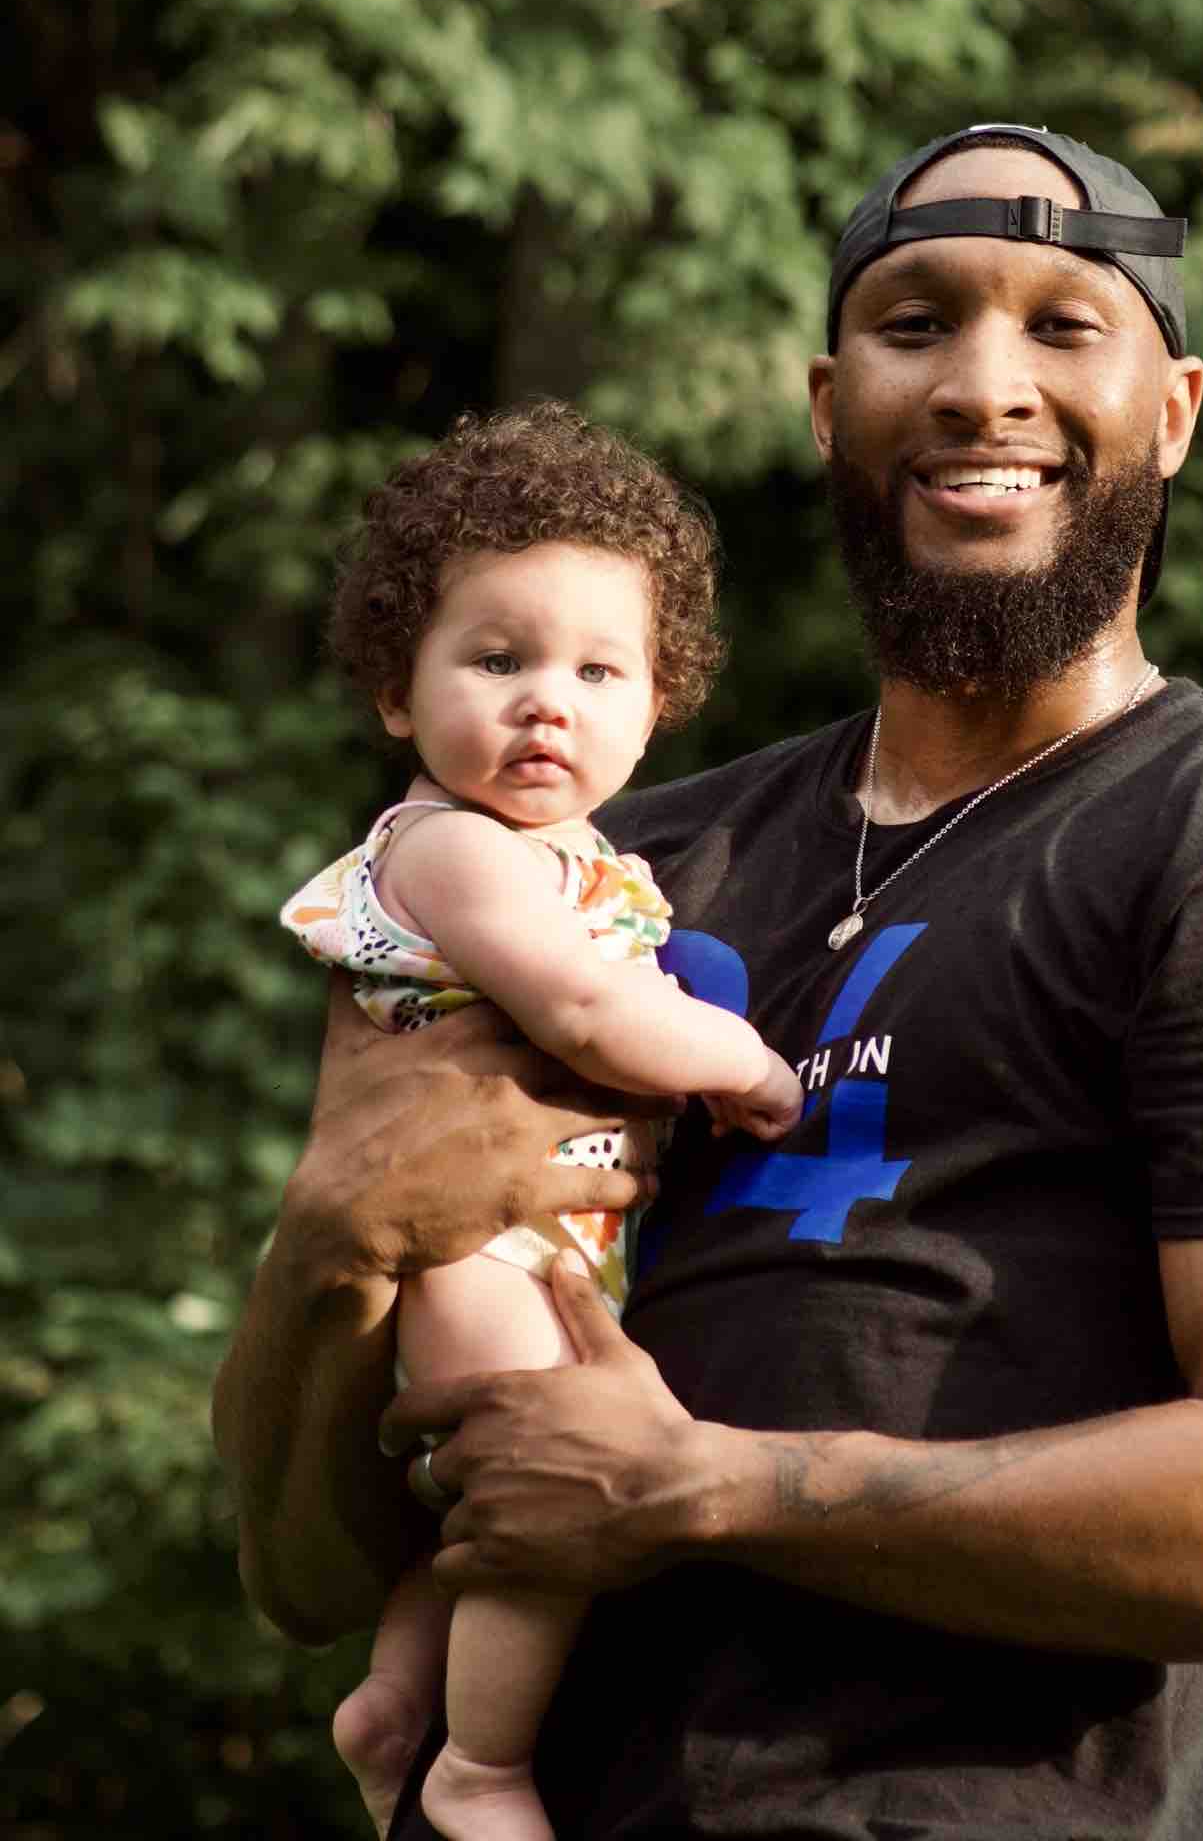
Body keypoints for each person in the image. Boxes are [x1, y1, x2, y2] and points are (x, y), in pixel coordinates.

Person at [214, 123, 1203, 1841]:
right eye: (916, 325)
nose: (984, 386)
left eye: (1062, 325)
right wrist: (333, 1242)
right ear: (829, 407)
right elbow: (304, 1566)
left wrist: (712, 1495)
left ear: (1174, 412)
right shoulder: (602, 868)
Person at [274, 400, 802, 1840]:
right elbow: (582, 1014)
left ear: (659, 699)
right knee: (542, 1474)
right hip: (469, 1243)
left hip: (537, 1234)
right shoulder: (451, 852)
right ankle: (483, 1765)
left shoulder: (582, 858)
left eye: (595, 669)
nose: (545, 702)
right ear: (400, 692)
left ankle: (392, 1709)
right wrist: (743, 1066)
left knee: (474, 1497)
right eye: (496, 661)